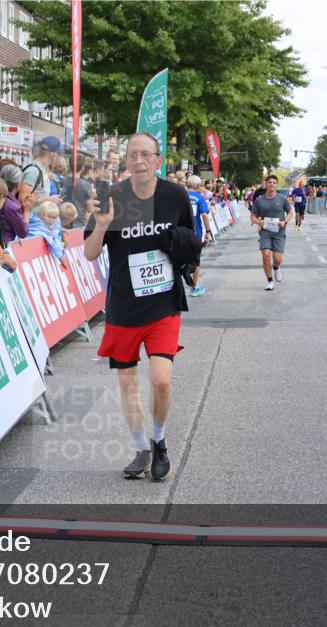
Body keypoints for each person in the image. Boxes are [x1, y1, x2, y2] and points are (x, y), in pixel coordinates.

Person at [83, 132, 194, 482]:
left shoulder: (176, 195)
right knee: (128, 383)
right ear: (126, 161)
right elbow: (89, 253)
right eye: (133, 155)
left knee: (161, 381)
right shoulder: (111, 196)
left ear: (159, 160)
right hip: (124, 304)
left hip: (163, 302)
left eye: (147, 155)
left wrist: (188, 263)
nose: (140, 161)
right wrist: (101, 226)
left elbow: (190, 242)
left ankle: (158, 440)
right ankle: (140, 448)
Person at [249, 174, 293, 291]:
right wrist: (259, 222)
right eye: (269, 182)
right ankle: (269, 281)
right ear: (266, 184)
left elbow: (290, 213)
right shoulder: (259, 200)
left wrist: (285, 221)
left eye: (274, 182)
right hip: (265, 233)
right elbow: (252, 216)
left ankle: (276, 267)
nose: (271, 184)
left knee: (277, 259)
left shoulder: (282, 199)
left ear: (276, 185)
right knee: (266, 255)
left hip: (279, 232)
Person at [185, 175, 211, 297]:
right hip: (195, 233)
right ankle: (193, 288)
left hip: (180, 233)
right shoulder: (199, 197)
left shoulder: (181, 195)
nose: (201, 188)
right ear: (196, 186)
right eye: (200, 185)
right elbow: (205, 215)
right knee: (196, 262)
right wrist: (208, 231)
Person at [0, 163, 35, 244]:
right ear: (18, 183)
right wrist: (27, 211)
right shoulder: (11, 205)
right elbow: (23, 232)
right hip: (5, 245)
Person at [20, 136, 62, 203]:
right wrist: (49, 199)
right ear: (53, 154)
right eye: (58, 152)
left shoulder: (42, 170)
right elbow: (23, 199)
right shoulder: (33, 171)